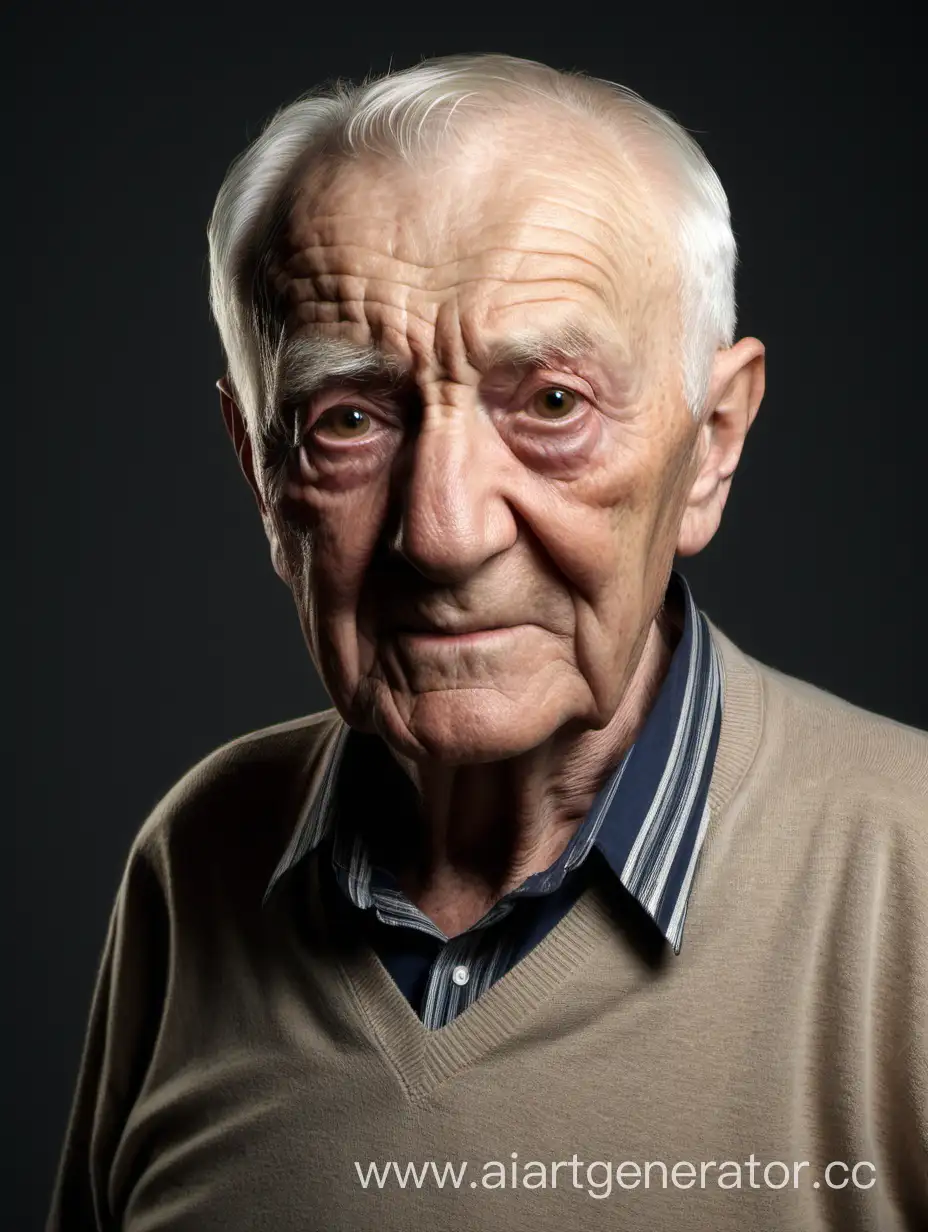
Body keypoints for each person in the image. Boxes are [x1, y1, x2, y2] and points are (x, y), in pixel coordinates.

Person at [48, 53, 927, 1232]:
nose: (445, 532)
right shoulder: (193, 858)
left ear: (712, 440)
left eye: (551, 403)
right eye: (347, 418)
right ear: (259, 468)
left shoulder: (910, 879)